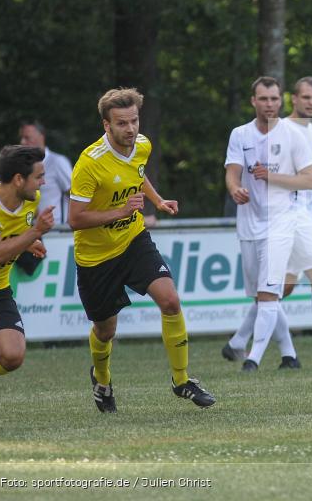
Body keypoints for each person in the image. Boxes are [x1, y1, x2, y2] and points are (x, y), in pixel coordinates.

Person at [69, 88, 215, 412]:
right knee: (105, 331)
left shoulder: (142, 145)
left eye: (134, 120)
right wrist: (118, 212)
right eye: (122, 123)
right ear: (106, 126)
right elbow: (74, 219)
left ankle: (181, 381)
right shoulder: (88, 164)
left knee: (170, 300)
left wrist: (157, 199)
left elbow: (137, 174)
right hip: (96, 258)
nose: (131, 129)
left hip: (134, 240)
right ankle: (102, 379)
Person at [221, 76, 312, 363]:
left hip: (299, 218)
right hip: (292, 218)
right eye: (307, 98)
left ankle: (239, 341)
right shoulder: (281, 130)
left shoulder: (309, 131)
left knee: (280, 287)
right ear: (294, 99)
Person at [223, 76, 312, 372]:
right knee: (262, 295)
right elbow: (232, 172)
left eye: (274, 99)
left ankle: (252, 358)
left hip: (281, 224)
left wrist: (271, 177)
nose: (269, 104)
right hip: (249, 225)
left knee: (268, 292)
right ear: (253, 101)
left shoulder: (294, 134)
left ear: (281, 100)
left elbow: (310, 179)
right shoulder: (240, 134)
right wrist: (234, 188)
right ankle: (288, 354)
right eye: (263, 99)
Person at [0, 146, 54, 376]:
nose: (42, 183)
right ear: (18, 179)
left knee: (13, 355)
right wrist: (34, 233)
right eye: (39, 177)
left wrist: (27, 242)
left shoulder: (31, 200)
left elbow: (9, 237)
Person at [19, 120, 73, 224]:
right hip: (31, 232)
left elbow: (75, 194)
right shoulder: (22, 167)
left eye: (27, 138)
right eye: (21, 138)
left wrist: (72, 224)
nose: (22, 142)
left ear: (41, 136)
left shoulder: (57, 162)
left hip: (56, 233)